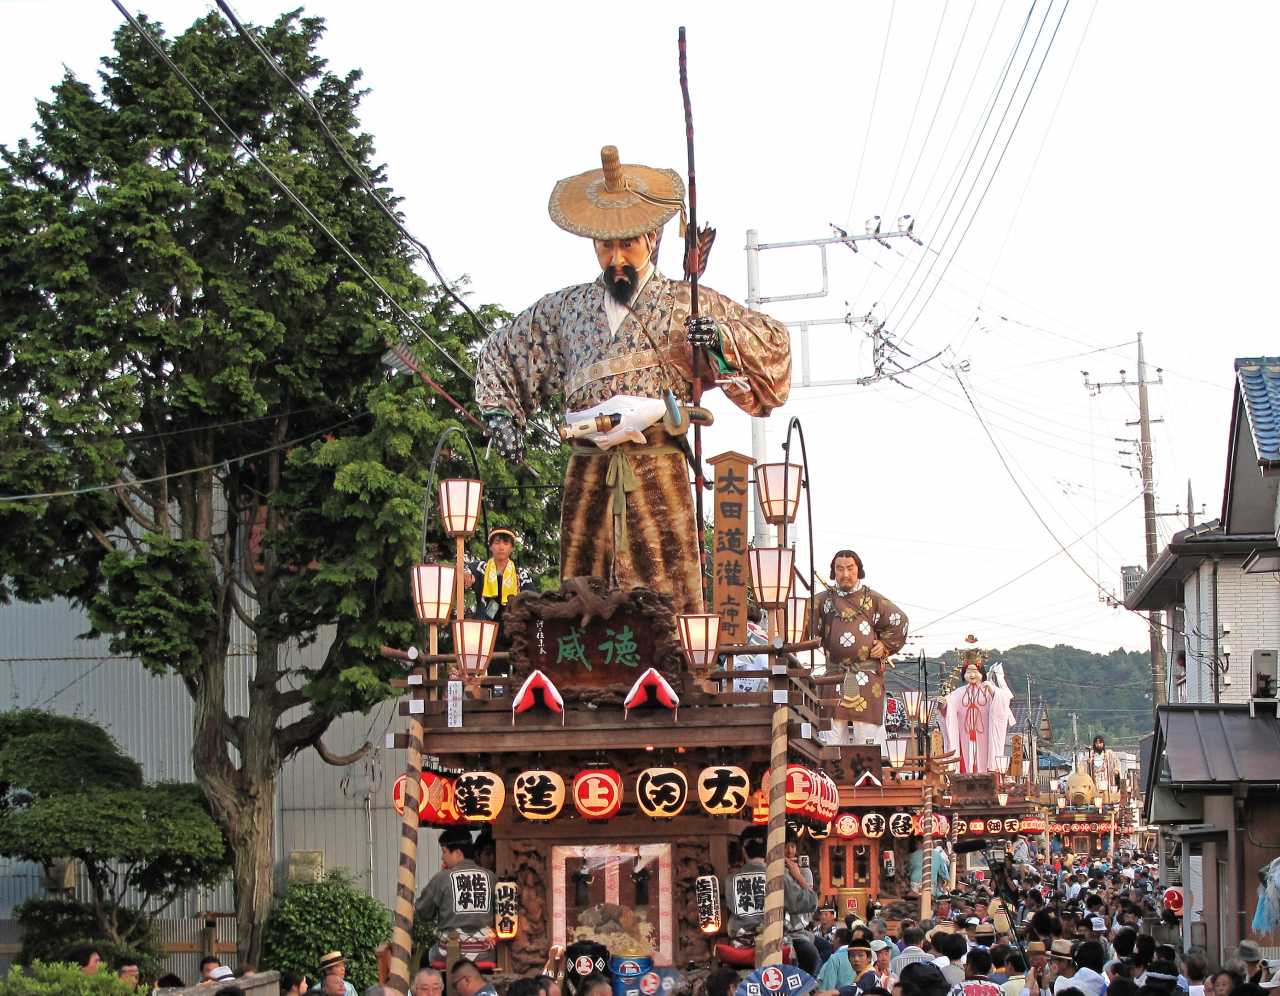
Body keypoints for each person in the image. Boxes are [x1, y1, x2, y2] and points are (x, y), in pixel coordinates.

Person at [475, 145, 791, 614]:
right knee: (581, 599)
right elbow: (503, 348)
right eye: (607, 246)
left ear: (652, 239)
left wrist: (720, 339)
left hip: (657, 469)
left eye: (628, 244)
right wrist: (501, 414)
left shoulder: (687, 302)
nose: (617, 257)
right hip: (586, 470)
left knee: (663, 605)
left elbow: (774, 342)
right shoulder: (566, 308)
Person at [813, 549, 909, 748]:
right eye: (840, 569)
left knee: (868, 738)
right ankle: (831, 777)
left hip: (866, 677)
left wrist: (885, 645)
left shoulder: (873, 600)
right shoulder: (822, 601)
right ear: (833, 572)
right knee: (831, 735)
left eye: (850, 568)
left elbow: (900, 621)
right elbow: (798, 624)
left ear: (859, 571)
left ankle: (868, 777)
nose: (845, 574)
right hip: (833, 676)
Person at [417, 827, 496, 967]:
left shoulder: (443, 878)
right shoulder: (491, 877)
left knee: (424, 959)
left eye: (444, 851)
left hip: (449, 953)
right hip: (486, 953)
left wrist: (437, 880)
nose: (442, 857)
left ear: (457, 852)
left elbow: (423, 911)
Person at [938, 638, 1015, 774]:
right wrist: (944, 704)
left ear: (982, 673)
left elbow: (1003, 700)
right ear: (964, 674)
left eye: (975, 671)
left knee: (985, 758)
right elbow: (949, 704)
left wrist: (993, 692)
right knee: (967, 759)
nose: (972, 675)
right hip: (965, 734)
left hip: (984, 734)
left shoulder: (988, 689)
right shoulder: (959, 693)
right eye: (968, 672)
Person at [465, 526, 537, 662]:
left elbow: (533, 600)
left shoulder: (520, 575)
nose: (501, 547)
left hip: (515, 630)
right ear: (491, 547)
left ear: (512, 548)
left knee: (520, 671)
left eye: (505, 543)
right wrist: (466, 574)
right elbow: (462, 566)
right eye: (497, 543)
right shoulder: (481, 569)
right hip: (489, 630)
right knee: (494, 672)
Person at [730, 604, 770, 693]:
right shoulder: (766, 634)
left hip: (735, 676)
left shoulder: (735, 631)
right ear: (759, 621)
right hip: (762, 678)